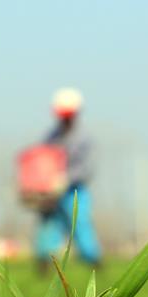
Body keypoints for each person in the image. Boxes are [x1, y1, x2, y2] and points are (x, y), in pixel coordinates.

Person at [35, 87, 102, 270]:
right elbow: (42, 160)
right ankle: (45, 262)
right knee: (49, 224)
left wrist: (66, 178)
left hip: (75, 190)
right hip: (51, 192)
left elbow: (87, 167)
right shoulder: (51, 136)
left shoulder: (84, 138)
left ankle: (93, 261)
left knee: (80, 223)